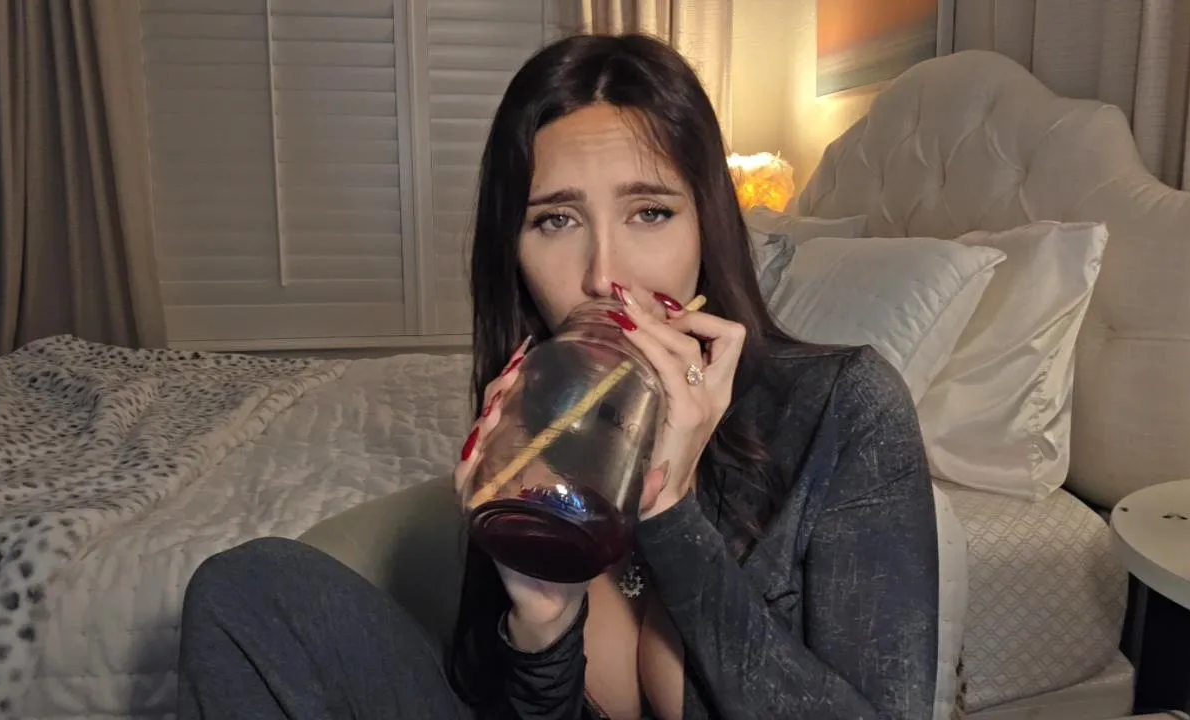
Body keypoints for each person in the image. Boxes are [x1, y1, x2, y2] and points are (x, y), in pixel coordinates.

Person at [176, 33, 938, 720]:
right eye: (555, 221)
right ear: (514, 254)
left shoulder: (846, 410)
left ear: (708, 226)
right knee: (246, 589)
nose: (604, 275)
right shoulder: (538, 414)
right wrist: (540, 620)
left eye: (649, 212)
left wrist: (670, 513)